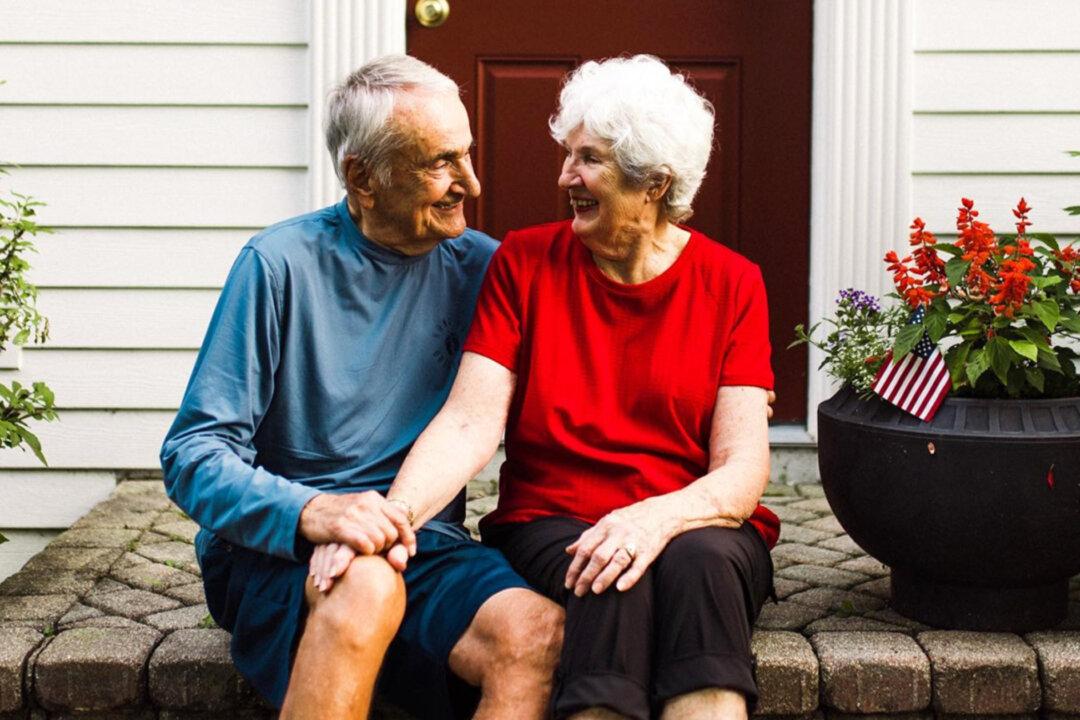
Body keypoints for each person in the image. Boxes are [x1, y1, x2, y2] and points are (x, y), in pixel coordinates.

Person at [315, 54, 779, 720]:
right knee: (607, 574)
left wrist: (651, 518)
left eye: (588, 159)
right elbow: (470, 423)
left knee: (698, 563)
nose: (566, 177)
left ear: (653, 183)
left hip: (693, 522)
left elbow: (741, 471)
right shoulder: (524, 263)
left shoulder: (732, 282)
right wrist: (390, 521)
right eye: (569, 155)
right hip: (551, 520)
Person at [160, 55, 563, 720]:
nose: (472, 182)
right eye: (440, 162)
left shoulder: (487, 270)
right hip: (278, 554)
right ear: (362, 178)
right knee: (368, 585)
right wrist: (315, 514)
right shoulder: (278, 265)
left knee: (536, 634)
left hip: (421, 540)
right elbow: (193, 454)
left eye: (467, 155)